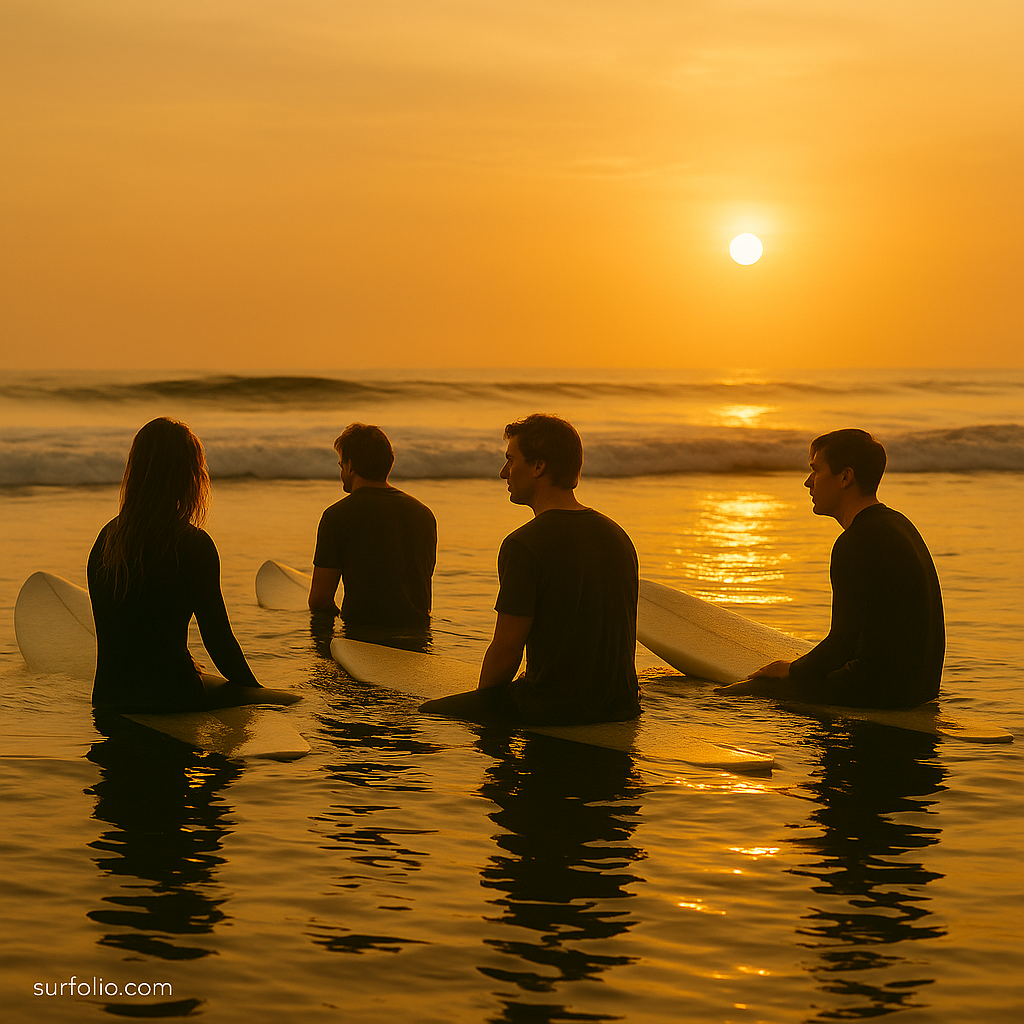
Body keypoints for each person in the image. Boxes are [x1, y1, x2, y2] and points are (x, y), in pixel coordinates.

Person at [420, 414, 641, 726]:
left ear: (539, 467)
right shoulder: (618, 536)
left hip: (553, 708)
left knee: (426, 716)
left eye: (511, 460)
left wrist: (486, 712)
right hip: (623, 705)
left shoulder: (524, 545)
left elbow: (506, 651)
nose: (503, 472)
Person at [716, 428, 944, 709]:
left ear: (845, 477)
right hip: (922, 689)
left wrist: (790, 670)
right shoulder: (900, 525)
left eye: (815, 470)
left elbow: (842, 645)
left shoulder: (855, 541)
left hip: (878, 693)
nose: (807, 482)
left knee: (732, 697)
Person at [88, 418, 299, 712]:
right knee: (293, 702)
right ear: (189, 475)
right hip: (173, 696)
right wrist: (258, 694)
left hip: (109, 697)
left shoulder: (106, 540)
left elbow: (128, 630)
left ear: (134, 471)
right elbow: (218, 640)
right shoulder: (193, 544)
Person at [307, 423, 437, 627]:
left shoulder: (337, 516)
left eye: (341, 465)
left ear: (350, 466)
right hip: (417, 633)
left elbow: (319, 600)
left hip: (362, 637)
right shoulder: (423, 514)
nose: (341, 470)